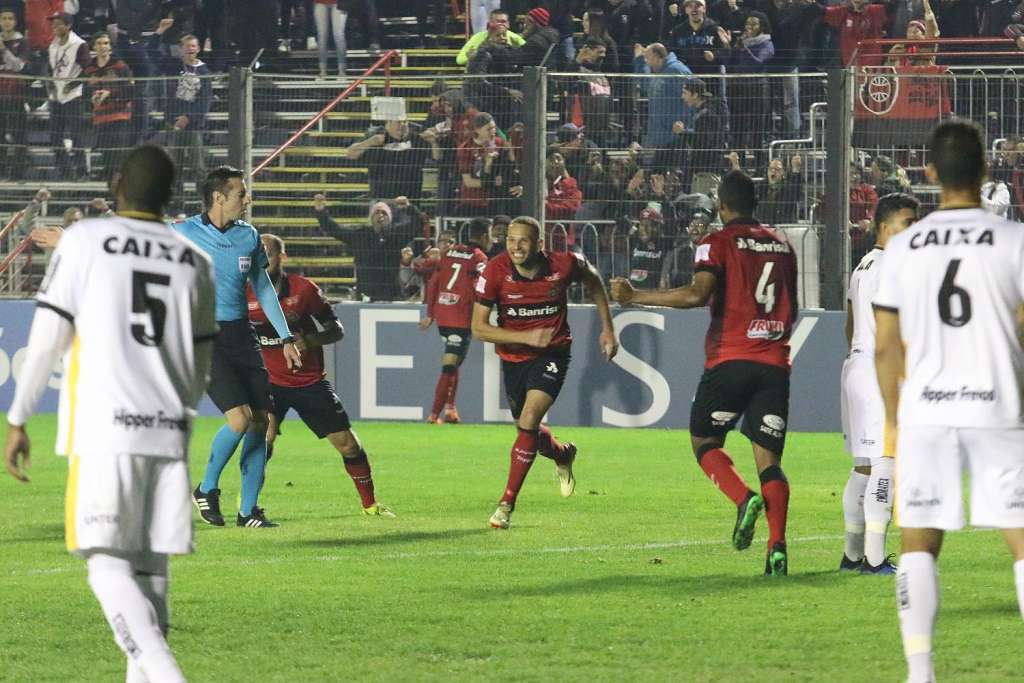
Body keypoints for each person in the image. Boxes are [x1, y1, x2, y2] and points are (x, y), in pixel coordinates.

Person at [3, 144, 216, 683]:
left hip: (106, 428)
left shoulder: (87, 239)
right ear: (171, 194)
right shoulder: (196, 260)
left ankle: (169, 676)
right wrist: (175, 414)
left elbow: (49, 335)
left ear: (117, 182)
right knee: (152, 575)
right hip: (168, 434)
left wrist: (18, 417)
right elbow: (199, 366)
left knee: (105, 566)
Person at [873, 120, 1024, 683]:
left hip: (927, 411)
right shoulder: (1014, 241)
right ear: (984, 170)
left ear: (930, 173)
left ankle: (920, 672)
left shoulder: (906, 246)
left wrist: (895, 417)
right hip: (997, 404)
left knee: (918, 541)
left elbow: (886, 347)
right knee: (1021, 535)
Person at [610, 170, 798, 576]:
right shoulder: (784, 245)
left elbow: (697, 294)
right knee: (769, 459)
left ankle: (742, 498)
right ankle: (777, 547)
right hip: (774, 363)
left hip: (730, 358)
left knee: (704, 440)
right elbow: (792, 306)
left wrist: (636, 296)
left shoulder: (715, 242)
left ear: (721, 207)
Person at [177, 166, 302, 529]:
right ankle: (206, 488)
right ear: (219, 197)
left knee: (263, 423)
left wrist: (286, 337)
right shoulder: (182, 233)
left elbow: (262, 288)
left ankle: (248, 511)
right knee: (240, 418)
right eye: (241, 193)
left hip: (240, 336)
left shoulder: (249, 236)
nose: (247, 199)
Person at [473, 216, 618, 529]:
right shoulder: (494, 271)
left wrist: (608, 329)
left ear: (539, 244)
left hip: (553, 354)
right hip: (514, 358)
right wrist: (524, 337)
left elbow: (594, 282)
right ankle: (563, 454)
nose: (516, 246)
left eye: (523, 240)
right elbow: (478, 328)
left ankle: (506, 504)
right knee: (527, 431)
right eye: (511, 240)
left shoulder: (563, 265)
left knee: (528, 420)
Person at [247, 234, 395, 517]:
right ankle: (248, 506)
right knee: (262, 441)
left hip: (308, 382)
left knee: (348, 445)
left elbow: (336, 329)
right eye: (259, 254)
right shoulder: (242, 291)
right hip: (267, 381)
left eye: (270, 253)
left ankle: (370, 504)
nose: (264, 260)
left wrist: (311, 340)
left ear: (283, 257)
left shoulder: (304, 290)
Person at [838, 192, 919, 576]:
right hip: (877, 369)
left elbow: (850, 324)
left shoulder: (862, 265)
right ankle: (873, 559)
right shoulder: (893, 267)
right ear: (886, 226)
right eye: (908, 223)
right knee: (887, 463)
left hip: (854, 365)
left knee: (863, 468)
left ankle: (852, 555)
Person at [420, 217, 490, 424]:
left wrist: (431, 314)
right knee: (450, 365)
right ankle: (434, 414)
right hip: (461, 317)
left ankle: (450, 409)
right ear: (485, 235)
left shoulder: (449, 253)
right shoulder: (478, 257)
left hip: (443, 316)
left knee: (454, 362)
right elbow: (481, 288)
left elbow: (433, 283)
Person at [313, 195, 415, 301]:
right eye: (377, 212)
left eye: (384, 213)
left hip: (392, 296)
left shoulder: (397, 235)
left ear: (390, 217)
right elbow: (334, 229)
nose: (380, 215)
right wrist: (321, 212)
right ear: (371, 217)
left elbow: (417, 225)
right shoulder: (360, 235)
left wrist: (409, 207)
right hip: (365, 296)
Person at [165, 34, 212, 211]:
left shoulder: (204, 72)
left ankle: (206, 206)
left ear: (198, 48)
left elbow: (205, 101)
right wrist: (158, 34)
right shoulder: (173, 67)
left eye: (193, 46)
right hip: (174, 125)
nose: (190, 49)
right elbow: (152, 54)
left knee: (198, 167)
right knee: (174, 168)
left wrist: (189, 117)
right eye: (187, 46)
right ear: (181, 48)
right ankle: (177, 206)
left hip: (194, 128)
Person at [83, 32, 134, 182]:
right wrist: (91, 98)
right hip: (100, 117)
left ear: (110, 46)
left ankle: (118, 179)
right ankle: (108, 176)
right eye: (99, 43)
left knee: (118, 151)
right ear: (94, 46)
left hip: (120, 116)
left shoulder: (120, 66)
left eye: (106, 43)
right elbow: (85, 90)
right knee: (105, 150)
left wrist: (109, 94)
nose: (103, 46)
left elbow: (130, 90)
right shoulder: (89, 69)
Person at [345, 114, 432, 201]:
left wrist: (434, 142)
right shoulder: (374, 135)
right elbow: (350, 154)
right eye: (398, 122)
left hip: (410, 196)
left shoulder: (416, 137)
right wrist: (369, 142)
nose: (403, 125)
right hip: (381, 196)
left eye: (405, 122)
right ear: (388, 122)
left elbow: (436, 157)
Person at [46, 13, 89, 179]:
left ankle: (82, 170)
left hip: (73, 97)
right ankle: (65, 170)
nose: (55, 27)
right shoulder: (53, 45)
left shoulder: (79, 44)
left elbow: (87, 70)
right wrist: (50, 87)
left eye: (59, 24)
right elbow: (50, 69)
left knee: (76, 134)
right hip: (56, 97)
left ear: (68, 25)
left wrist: (71, 85)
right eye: (54, 24)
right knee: (55, 136)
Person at [0, 8, 29, 181]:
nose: (7, 21)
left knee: (19, 134)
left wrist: (3, 50)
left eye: (10, 18)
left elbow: (19, 66)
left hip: (16, 95)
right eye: (3, 18)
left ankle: (19, 172)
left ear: (15, 22)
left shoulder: (23, 42)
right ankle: (2, 171)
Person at [455, 8, 525, 68]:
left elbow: (529, 54)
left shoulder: (515, 38)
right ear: (490, 23)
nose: (500, 24)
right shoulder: (478, 37)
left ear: (508, 24)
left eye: (503, 22)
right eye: (497, 21)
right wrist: (476, 54)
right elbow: (460, 60)